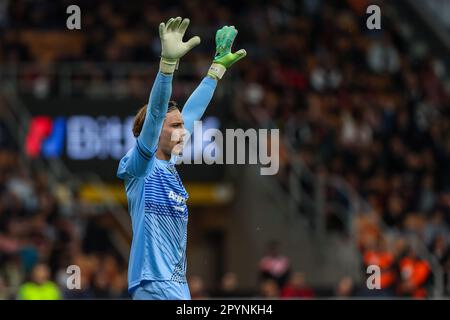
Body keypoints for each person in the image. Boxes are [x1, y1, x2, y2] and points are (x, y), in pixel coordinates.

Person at [117, 17, 246, 300]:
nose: (183, 131)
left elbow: (194, 112)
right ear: (150, 134)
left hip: (178, 286)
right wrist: (166, 68)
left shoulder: (171, 165)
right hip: (152, 283)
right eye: (174, 126)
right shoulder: (140, 166)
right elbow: (154, 114)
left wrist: (216, 70)